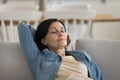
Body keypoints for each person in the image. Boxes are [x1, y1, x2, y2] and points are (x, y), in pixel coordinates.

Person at [18, 18, 105, 80]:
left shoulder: (82, 55)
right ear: (44, 41)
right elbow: (23, 28)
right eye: (54, 31)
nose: (61, 34)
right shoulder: (40, 59)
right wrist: (39, 36)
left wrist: (64, 44)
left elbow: (100, 77)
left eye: (63, 31)